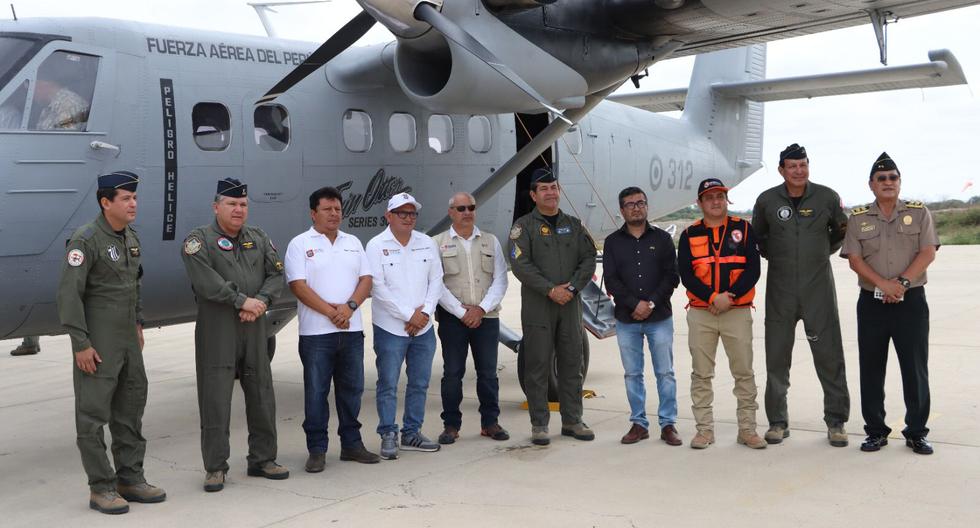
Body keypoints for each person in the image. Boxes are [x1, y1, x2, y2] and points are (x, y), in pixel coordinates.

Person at [56, 171, 166, 514]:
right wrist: (80, 344)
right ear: (106, 203)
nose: (133, 204)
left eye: (134, 198)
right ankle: (100, 487)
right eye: (125, 199)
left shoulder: (130, 237)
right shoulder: (85, 240)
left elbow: (134, 286)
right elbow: (69, 296)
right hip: (98, 342)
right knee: (92, 416)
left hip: (128, 342)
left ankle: (130, 479)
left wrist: (138, 323)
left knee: (130, 410)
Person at [181, 178, 287, 492]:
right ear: (217, 207)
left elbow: (275, 273)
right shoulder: (198, 241)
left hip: (254, 327)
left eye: (242, 204)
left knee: (262, 393)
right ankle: (215, 467)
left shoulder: (258, 237)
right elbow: (206, 282)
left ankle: (263, 459)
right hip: (218, 330)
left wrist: (262, 303)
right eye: (231, 204)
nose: (238, 209)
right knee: (215, 398)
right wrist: (242, 301)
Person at [752, 143, 851, 447]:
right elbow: (761, 239)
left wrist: (818, 253)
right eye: (792, 166)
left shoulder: (827, 197)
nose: (798, 171)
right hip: (781, 290)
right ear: (782, 169)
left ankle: (836, 422)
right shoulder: (767, 200)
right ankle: (778, 423)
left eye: (803, 165)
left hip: (818, 288)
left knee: (829, 355)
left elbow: (840, 233)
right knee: (777, 358)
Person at [841, 153, 939, 455]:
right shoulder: (858, 218)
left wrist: (902, 284)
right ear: (871, 185)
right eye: (881, 178)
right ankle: (875, 432)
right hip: (871, 304)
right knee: (871, 369)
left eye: (892, 177)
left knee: (915, 369)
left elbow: (927, 252)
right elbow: (854, 259)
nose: (887, 182)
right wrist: (883, 284)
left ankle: (917, 432)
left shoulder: (918, 212)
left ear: (899, 182)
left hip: (911, 302)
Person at [284, 186, 380, 473]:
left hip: (351, 332)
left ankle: (351, 444)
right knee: (316, 394)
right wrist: (332, 312)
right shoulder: (300, 244)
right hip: (316, 335)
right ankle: (317, 450)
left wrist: (349, 308)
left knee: (352, 391)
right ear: (314, 213)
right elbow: (298, 286)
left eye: (338, 209)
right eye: (327, 209)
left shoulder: (353, 242)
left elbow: (366, 279)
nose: (334, 214)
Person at [508, 168, 597, 446]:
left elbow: (588, 258)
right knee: (537, 365)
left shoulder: (574, 224)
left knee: (573, 363)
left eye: (554, 187)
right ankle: (540, 424)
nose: (551, 192)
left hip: (569, 305)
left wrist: (570, 288)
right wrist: (550, 290)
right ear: (534, 195)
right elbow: (520, 264)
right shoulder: (524, 227)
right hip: (538, 306)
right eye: (544, 189)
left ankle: (573, 420)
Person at [678, 178, 766, 450]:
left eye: (721, 196)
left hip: (736, 311)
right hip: (702, 312)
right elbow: (686, 273)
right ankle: (704, 431)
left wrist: (730, 297)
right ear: (700, 203)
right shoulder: (689, 234)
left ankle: (748, 430)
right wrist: (711, 297)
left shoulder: (743, 228)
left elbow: (753, 269)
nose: (716, 201)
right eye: (710, 197)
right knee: (701, 374)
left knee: (743, 372)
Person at [365, 192, 444, 460]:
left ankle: (412, 432)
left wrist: (425, 312)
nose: (408, 218)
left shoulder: (426, 243)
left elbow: (437, 280)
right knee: (388, 382)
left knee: (419, 382)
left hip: (423, 327)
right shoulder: (376, 245)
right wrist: (409, 315)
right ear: (389, 216)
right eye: (402, 213)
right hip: (391, 328)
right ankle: (388, 432)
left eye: (412, 214)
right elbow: (378, 287)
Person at [602, 186, 682, 446]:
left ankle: (668, 424)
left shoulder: (662, 239)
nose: (636, 207)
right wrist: (634, 304)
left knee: (665, 372)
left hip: (659, 318)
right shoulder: (612, 242)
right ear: (621, 210)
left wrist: (651, 302)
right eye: (630, 204)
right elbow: (611, 280)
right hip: (627, 320)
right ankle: (639, 424)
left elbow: (672, 276)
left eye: (640, 203)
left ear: (647, 206)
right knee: (632, 374)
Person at [433, 192, 510, 445]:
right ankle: (451, 425)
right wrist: (461, 312)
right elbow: (437, 284)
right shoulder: (437, 243)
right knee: (452, 373)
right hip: (453, 320)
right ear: (451, 212)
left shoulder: (490, 241)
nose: (467, 212)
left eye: (471, 208)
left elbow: (500, 279)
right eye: (461, 208)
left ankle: (490, 423)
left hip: (486, 318)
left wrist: (481, 309)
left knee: (488, 373)